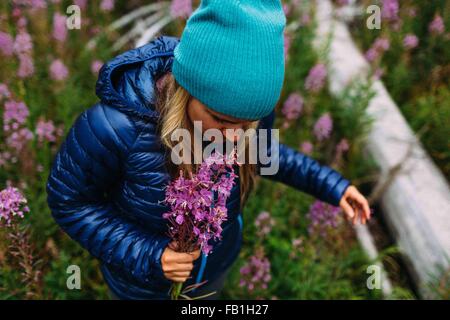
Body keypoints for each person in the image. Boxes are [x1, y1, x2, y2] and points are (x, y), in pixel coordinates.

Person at [46, 0, 370, 300]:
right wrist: (151, 255)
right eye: (220, 120)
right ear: (187, 89)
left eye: (246, 126)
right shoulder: (115, 127)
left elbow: (266, 156)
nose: (232, 138)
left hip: (215, 267)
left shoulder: (245, 115)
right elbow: (69, 201)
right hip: (142, 285)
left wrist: (332, 186)